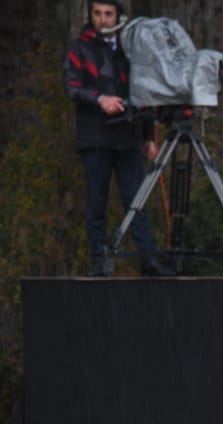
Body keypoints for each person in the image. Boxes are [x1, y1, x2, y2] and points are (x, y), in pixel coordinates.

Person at [64, 1, 171, 278]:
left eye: (108, 14)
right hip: (96, 138)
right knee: (96, 204)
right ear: (90, 15)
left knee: (136, 201)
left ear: (119, 16)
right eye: (97, 14)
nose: (102, 20)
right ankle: (99, 264)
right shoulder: (79, 47)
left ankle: (148, 261)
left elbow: (143, 93)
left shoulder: (130, 49)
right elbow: (72, 86)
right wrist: (100, 99)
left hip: (128, 137)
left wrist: (148, 137)